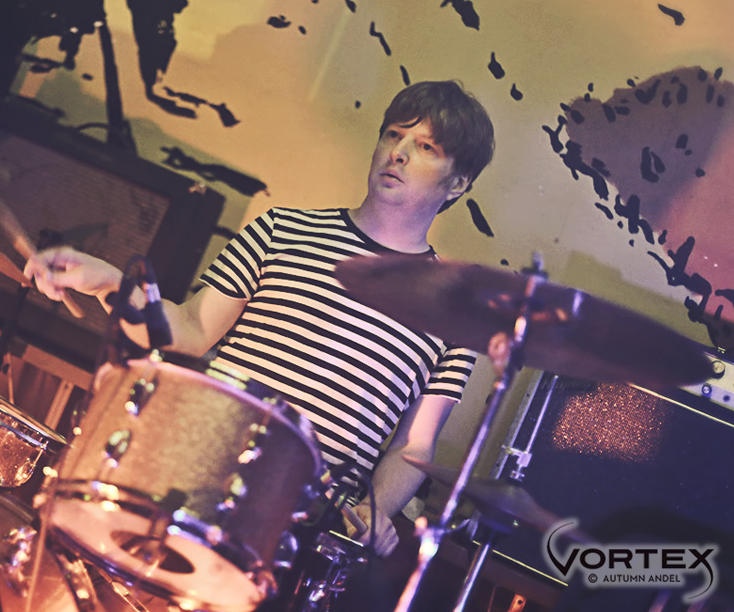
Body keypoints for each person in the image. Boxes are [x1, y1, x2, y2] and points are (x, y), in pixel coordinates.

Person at [25, 80, 495, 562]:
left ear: (457, 183)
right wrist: (108, 282)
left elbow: (416, 444)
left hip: (297, 525)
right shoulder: (282, 229)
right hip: (194, 473)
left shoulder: (454, 314)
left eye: (425, 148)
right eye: (392, 135)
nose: (397, 153)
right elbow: (189, 328)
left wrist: (378, 509)